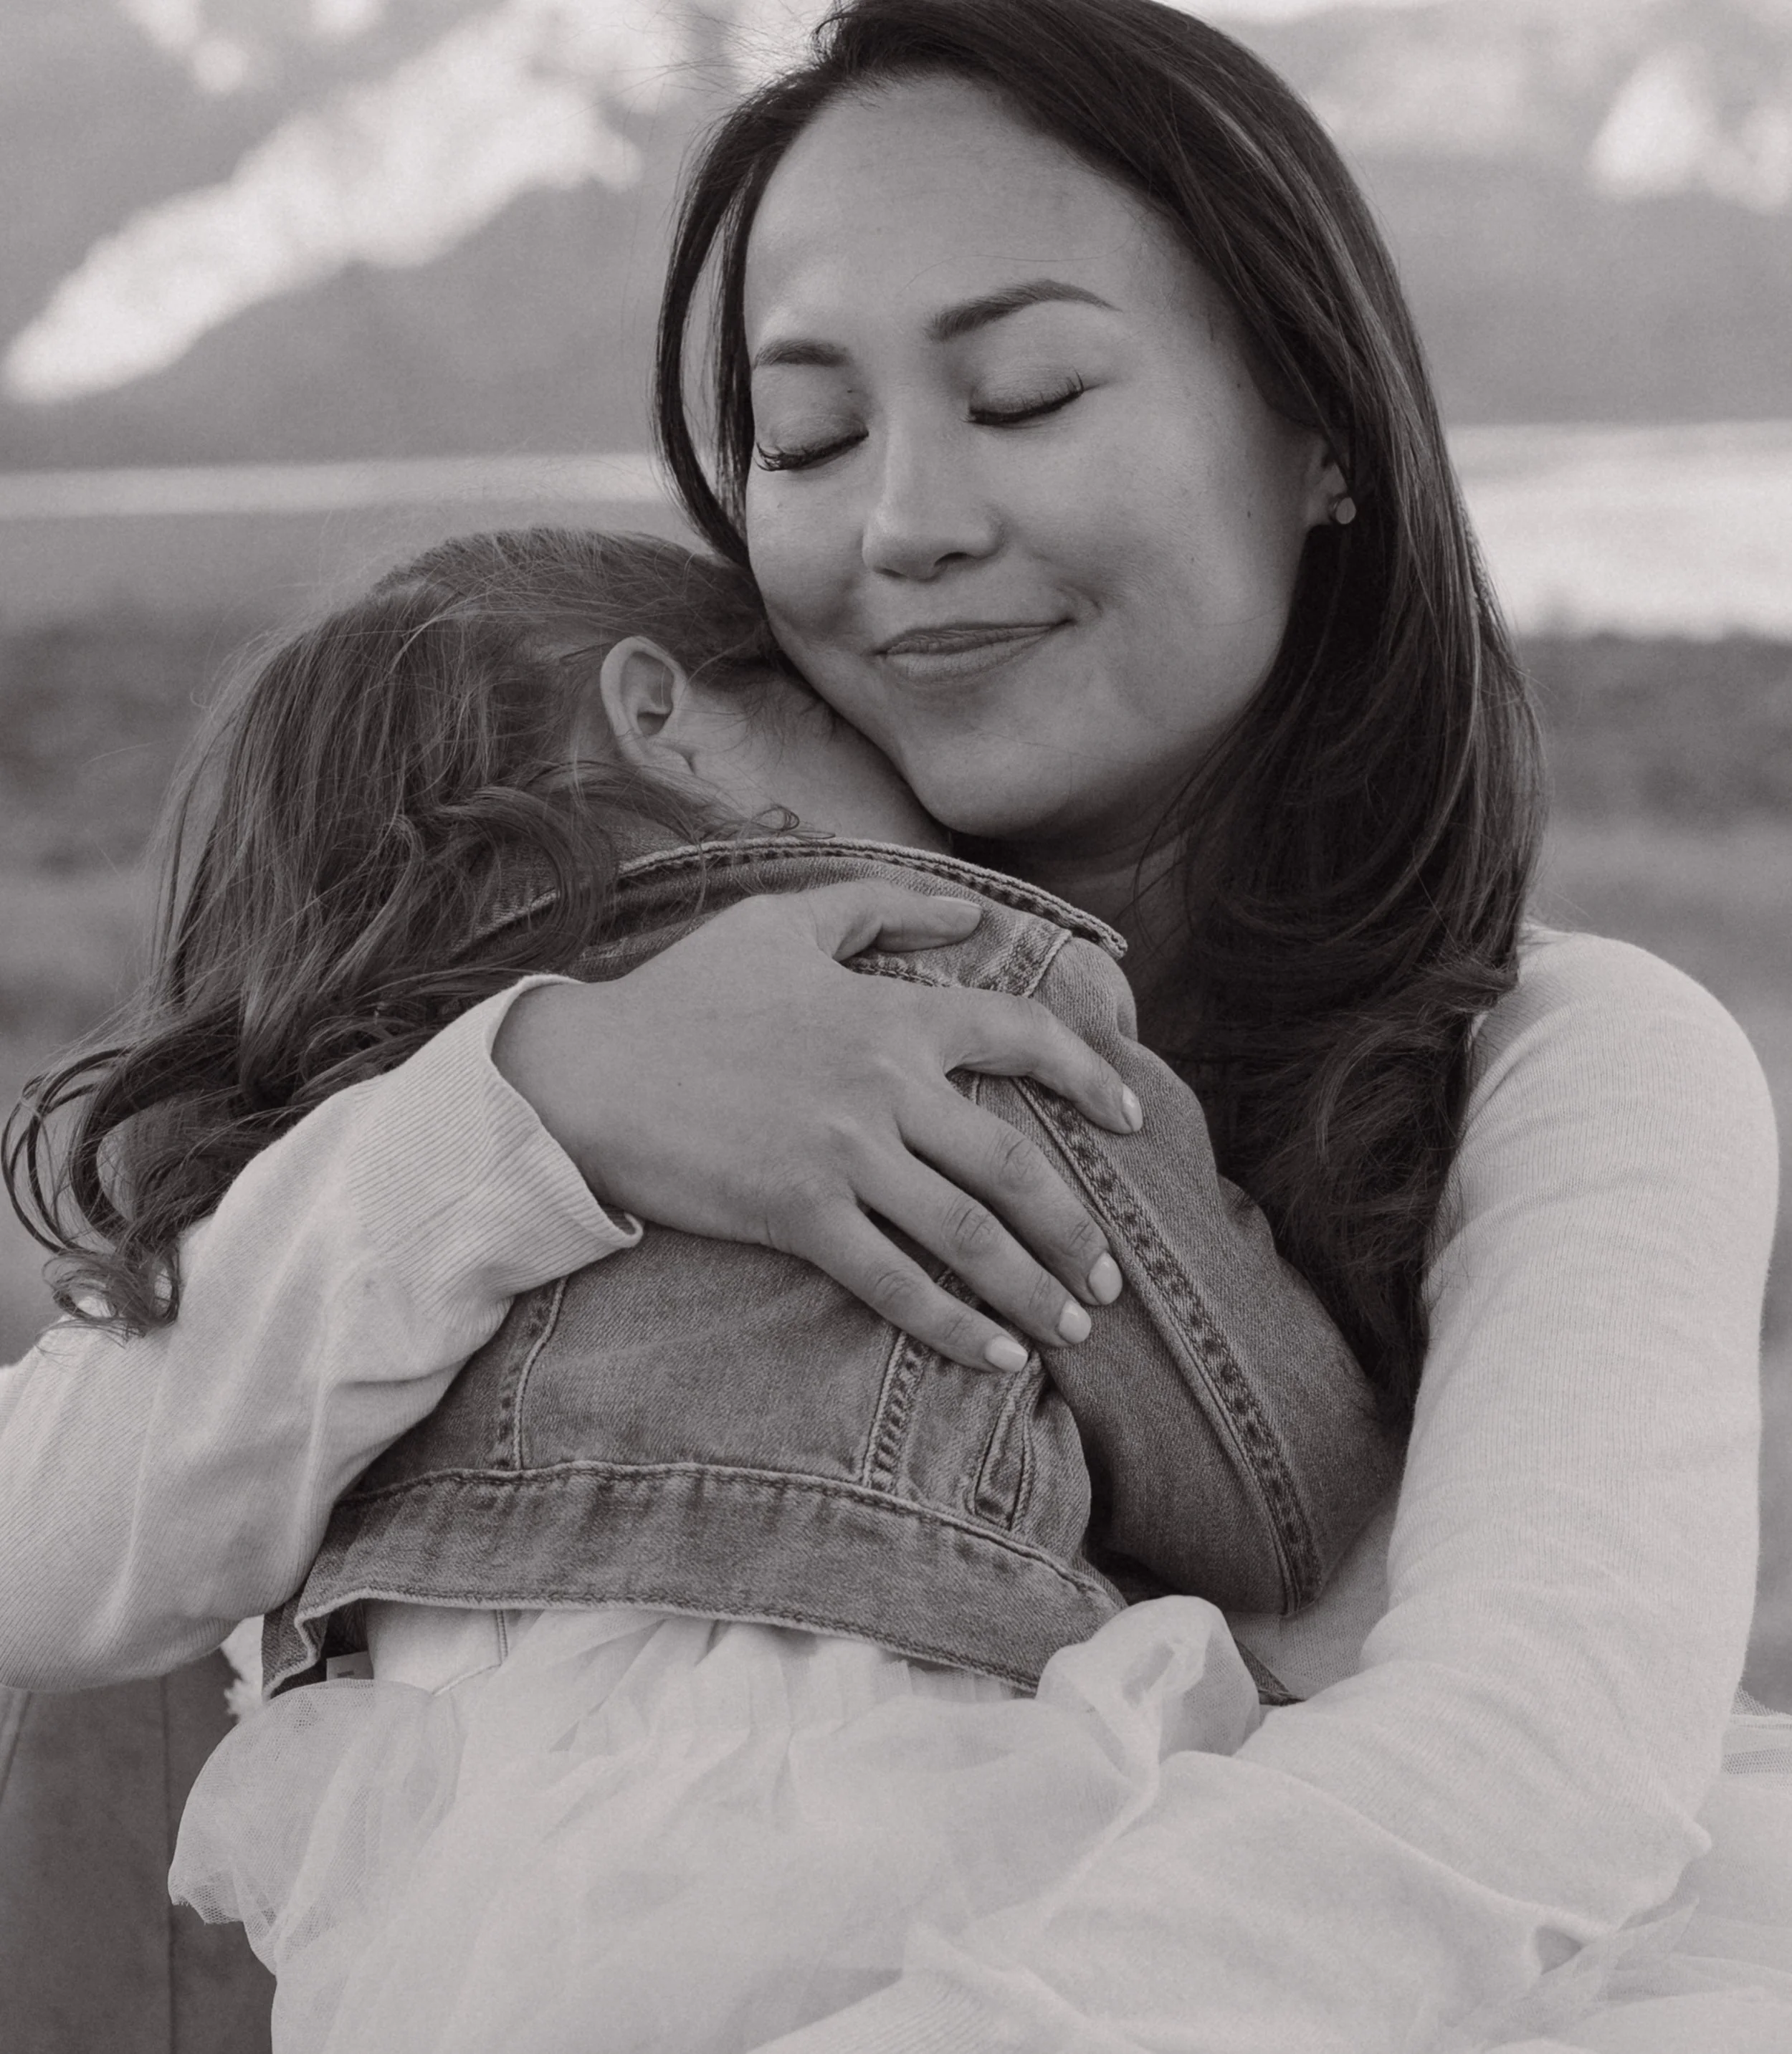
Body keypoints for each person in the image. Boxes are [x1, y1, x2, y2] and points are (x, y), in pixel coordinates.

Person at [0, 1, 1785, 2048]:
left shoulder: (1569, 1055)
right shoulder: (511, 1044)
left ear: (1318, 441)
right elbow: (43, 1542)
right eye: (812, 437)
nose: (900, 523)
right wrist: (556, 1106)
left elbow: (1522, 1772)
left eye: (1023, 392)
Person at [9, 523, 1392, 2050]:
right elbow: (1278, 1476)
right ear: (662, 714)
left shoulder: (320, 1151)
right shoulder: (922, 980)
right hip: (892, 1844)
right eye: (855, 717)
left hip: (452, 1922)